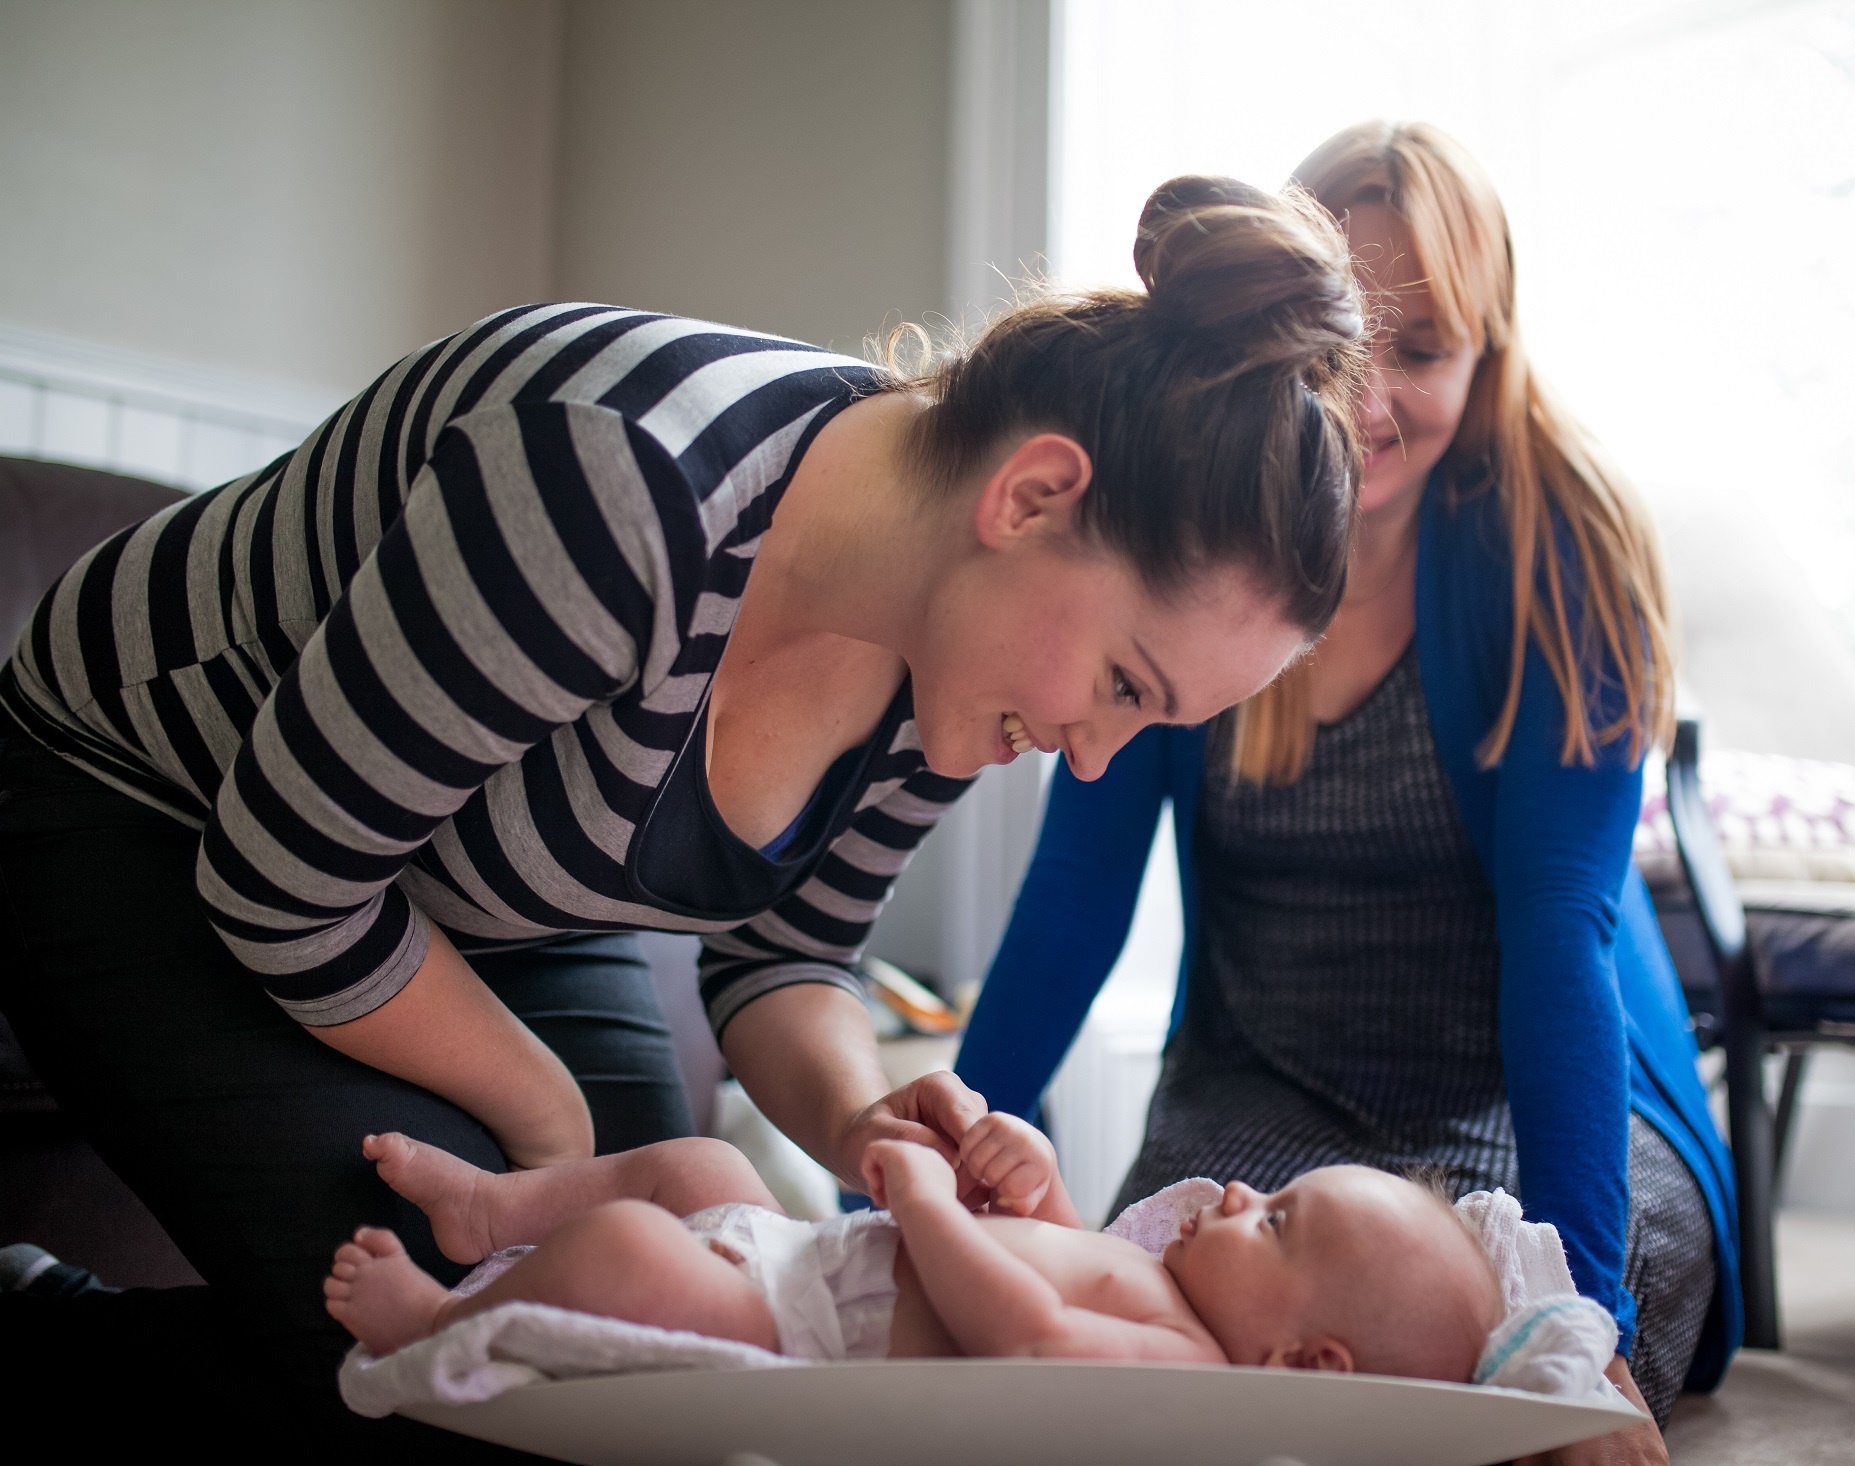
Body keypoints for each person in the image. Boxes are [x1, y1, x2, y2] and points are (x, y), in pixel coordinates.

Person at [0, 174, 1364, 1455]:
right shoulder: (619, 486)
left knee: (689, 1381)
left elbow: (785, 956)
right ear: (1033, 496)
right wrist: (540, 1108)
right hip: (158, 816)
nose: (1089, 758)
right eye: (1123, 684)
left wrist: (860, 1114)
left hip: (494, 895)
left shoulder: (962, 661)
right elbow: (284, 880)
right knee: (468, 1392)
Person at [955, 121, 1739, 1456]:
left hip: (1525, 1094)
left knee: (1500, 1372)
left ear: (1490, 354)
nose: (1368, 396)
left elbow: (1563, 930)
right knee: (1178, 1346)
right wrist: (940, 1157)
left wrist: (1582, 1323)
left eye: (1423, 350)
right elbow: (1079, 889)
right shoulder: (1181, 521)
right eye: (1347, 338)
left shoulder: (1564, 547)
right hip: (1265, 1089)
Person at [321, 1121, 1503, 1388]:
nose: (1244, 1187)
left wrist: (938, 1208)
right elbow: (1052, 1262)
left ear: (1305, 1360)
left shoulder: (1184, 1368)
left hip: (797, 1332)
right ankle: (491, 1207)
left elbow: (1026, 1331)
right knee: (695, 1166)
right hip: (808, 1255)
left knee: (633, 1246)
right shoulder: (1165, 1286)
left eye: (1280, 1218)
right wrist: (1026, 1183)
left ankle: (429, 1324)